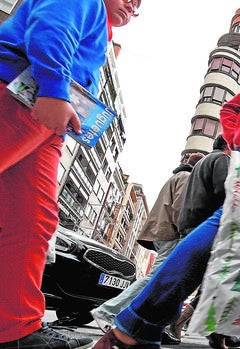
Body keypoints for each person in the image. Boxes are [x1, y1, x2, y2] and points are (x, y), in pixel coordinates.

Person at [91, 14, 240, 349]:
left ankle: (141, 327)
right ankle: (133, 325)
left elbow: (230, 108)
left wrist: (239, 142)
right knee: (227, 226)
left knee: (238, 231)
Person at [0, 0, 139, 348]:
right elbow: (52, 27)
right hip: (21, 91)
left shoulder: (99, 26)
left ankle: (15, 329)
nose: (136, 4)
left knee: (34, 218)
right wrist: (55, 88)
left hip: (47, 116)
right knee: (29, 218)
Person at [91, 152, 204, 343]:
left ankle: (143, 324)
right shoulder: (187, 178)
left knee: (164, 281)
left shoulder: (177, 176)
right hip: (172, 234)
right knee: (155, 279)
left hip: (165, 233)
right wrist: (186, 235)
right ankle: (107, 311)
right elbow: (180, 209)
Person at [165, 135, 240, 349]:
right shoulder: (222, 160)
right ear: (229, 145)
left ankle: (219, 333)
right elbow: (225, 191)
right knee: (211, 280)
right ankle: (172, 324)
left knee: (207, 280)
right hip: (206, 226)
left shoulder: (203, 162)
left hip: (192, 224)